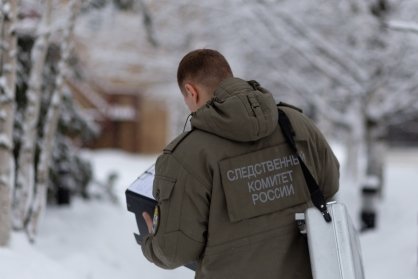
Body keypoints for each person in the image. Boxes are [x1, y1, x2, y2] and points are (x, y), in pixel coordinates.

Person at [141, 49, 339, 279]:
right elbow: (330, 185)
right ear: (228, 77)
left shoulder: (186, 155)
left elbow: (174, 251)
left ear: (190, 91)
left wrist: (152, 241)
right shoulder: (297, 124)